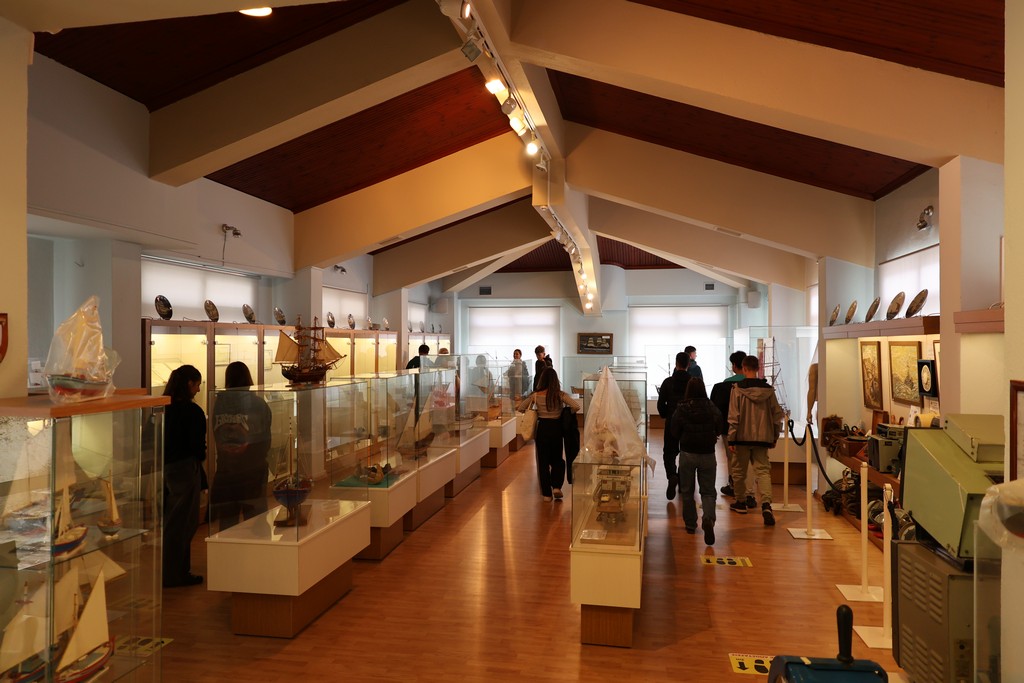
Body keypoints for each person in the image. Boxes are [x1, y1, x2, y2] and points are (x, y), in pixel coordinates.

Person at [210, 361, 272, 532]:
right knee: (257, 521)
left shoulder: (219, 404)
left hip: (227, 470)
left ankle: (229, 550)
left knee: (228, 523)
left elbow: (217, 433)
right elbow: (264, 439)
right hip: (252, 471)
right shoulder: (258, 404)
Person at [727, 355, 785, 526]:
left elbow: (734, 416)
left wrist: (731, 438)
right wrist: (774, 436)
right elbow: (777, 416)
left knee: (739, 471)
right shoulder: (769, 391)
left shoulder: (737, 389)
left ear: (744, 368)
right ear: (758, 369)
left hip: (741, 438)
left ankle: (741, 502)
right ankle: (766, 504)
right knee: (763, 471)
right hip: (762, 438)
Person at [162, 364, 206, 587]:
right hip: (185, 468)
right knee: (184, 523)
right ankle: (175, 573)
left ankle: (174, 571)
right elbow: (198, 447)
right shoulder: (193, 412)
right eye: (197, 384)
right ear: (189, 384)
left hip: (166, 468)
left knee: (173, 521)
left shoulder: (164, 408)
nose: (198, 389)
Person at [671, 377, 722, 545]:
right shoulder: (711, 407)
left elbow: (674, 430)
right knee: (708, 491)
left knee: (687, 491)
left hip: (687, 453)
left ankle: (690, 524)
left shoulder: (682, 408)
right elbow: (720, 426)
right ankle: (708, 519)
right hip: (708, 453)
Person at [518, 368, 580, 501]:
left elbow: (521, 407)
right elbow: (576, 406)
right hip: (557, 428)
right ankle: (556, 487)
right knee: (557, 459)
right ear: (555, 380)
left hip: (542, 429)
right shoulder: (560, 395)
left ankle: (547, 494)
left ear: (542, 380)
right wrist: (565, 412)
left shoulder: (535, 395)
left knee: (543, 461)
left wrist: (536, 412)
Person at [710, 350, 752, 502]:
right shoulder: (753, 384)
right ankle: (748, 491)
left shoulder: (725, 385)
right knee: (748, 460)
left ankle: (733, 486)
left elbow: (719, 409)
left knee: (731, 457)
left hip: (729, 427)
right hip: (750, 428)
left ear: (734, 365)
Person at [656, 351, 690, 500]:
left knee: (669, 453)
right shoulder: (693, 382)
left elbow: (660, 404)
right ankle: (682, 480)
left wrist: (666, 415)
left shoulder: (668, 382)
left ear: (676, 363)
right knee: (686, 452)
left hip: (672, 422)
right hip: (688, 424)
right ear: (688, 365)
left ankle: (672, 476)